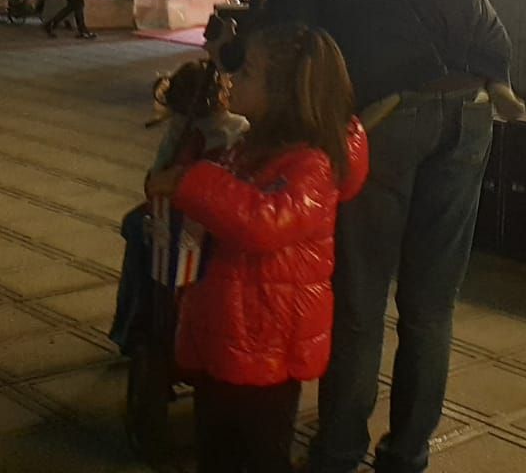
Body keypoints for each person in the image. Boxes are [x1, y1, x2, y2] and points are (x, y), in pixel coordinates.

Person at [305, 0, 512, 473]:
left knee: (362, 298)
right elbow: (479, 16)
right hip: (469, 108)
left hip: (389, 115)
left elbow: (333, 32)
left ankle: (339, 449)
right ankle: (407, 454)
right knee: (431, 304)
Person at [145, 24, 370, 473]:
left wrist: (192, 183)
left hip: (265, 347)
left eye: (246, 73)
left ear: (284, 93)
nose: (232, 80)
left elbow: (263, 221)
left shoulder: (312, 165)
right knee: (218, 448)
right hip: (230, 332)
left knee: (258, 454)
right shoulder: (253, 144)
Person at [109, 58, 248, 354]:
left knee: (140, 243)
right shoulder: (239, 128)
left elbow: (154, 178)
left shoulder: (180, 128)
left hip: (171, 218)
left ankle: (132, 326)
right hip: (211, 222)